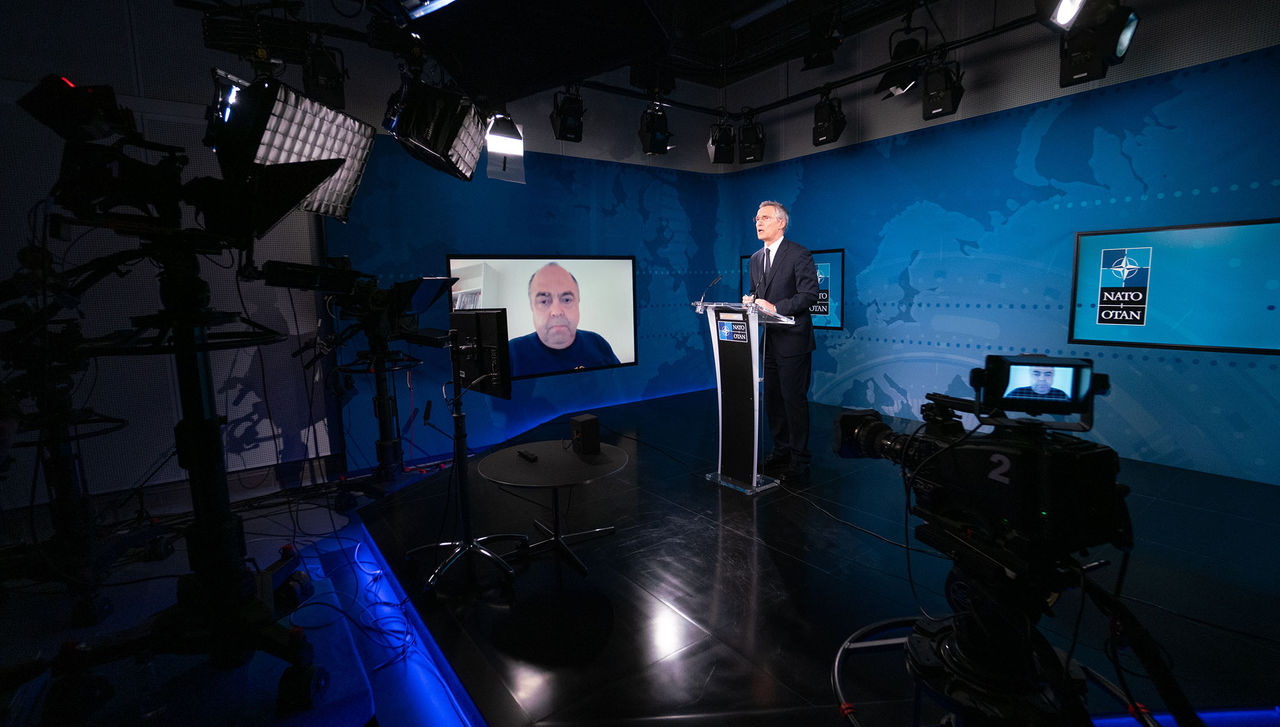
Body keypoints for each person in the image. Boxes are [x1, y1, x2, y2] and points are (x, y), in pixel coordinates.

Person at [742, 201, 819, 483]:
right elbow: (756, 291)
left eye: (764, 218)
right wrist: (750, 301)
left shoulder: (798, 254)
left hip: (794, 341)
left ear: (781, 223)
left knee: (793, 400)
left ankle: (800, 460)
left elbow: (810, 294)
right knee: (773, 399)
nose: (758, 222)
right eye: (756, 218)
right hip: (769, 342)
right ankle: (781, 451)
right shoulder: (755, 259)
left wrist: (776, 307)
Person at [509, 262, 620, 377]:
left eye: (566, 300)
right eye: (544, 301)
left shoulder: (598, 344)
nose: (557, 312)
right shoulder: (510, 354)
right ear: (532, 307)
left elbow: (623, 388)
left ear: (578, 303)